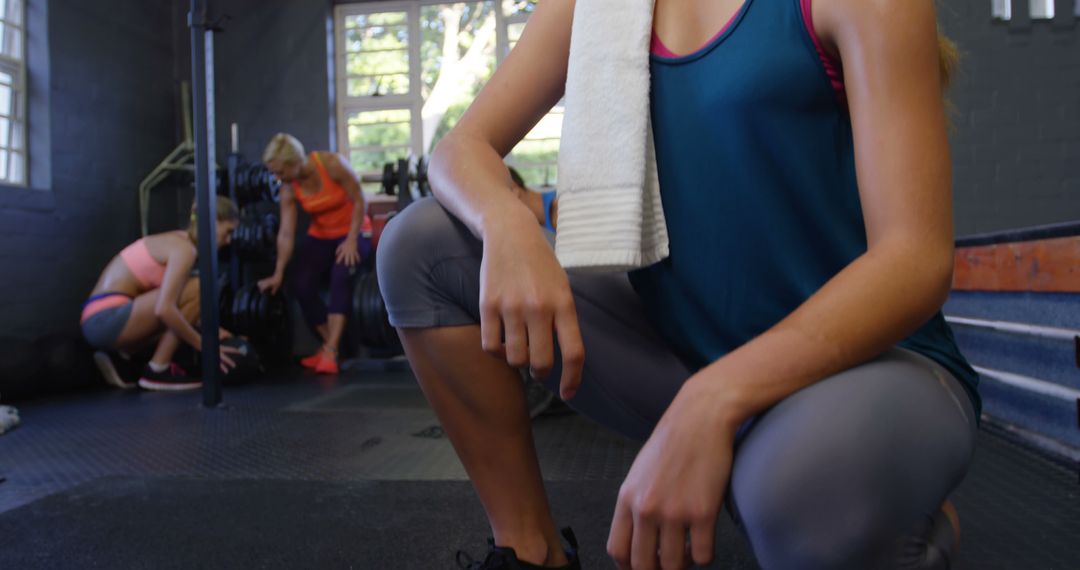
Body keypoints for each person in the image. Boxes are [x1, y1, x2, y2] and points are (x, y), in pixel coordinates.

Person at [378, 0, 979, 569]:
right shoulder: (596, 9)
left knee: (796, 496)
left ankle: (903, 520)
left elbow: (915, 260)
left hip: (868, 366)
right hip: (685, 355)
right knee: (420, 248)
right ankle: (531, 552)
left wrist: (714, 399)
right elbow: (460, 149)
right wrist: (507, 222)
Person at [82, 196, 240, 391]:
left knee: (187, 299)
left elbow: (182, 309)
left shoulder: (177, 242)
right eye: (228, 231)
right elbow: (164, 309)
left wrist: (212, 332)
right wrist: (203, 343)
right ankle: (158, 369)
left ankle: (123, 358)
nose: (229, 240)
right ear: (212, 222)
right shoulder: (184, 250)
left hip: (102, 318)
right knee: (199, 287)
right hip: (104, 319)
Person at [260, 133, 373, 374]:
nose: (278, 179)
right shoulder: (289, 188)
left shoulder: (331, 164)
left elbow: (359, 198)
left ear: (295, 162)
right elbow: (286, 233)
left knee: (340, 274)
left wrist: (352, 239)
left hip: (354, 230)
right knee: (301, 284)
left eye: (280, 172)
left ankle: (330, 351)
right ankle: (330, 346)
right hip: (321, 235)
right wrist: (278, 273)